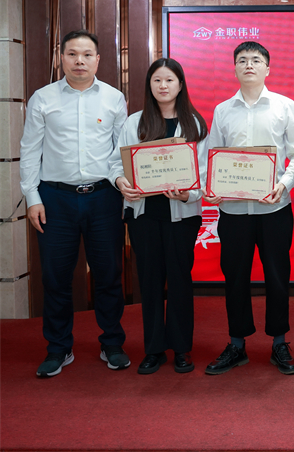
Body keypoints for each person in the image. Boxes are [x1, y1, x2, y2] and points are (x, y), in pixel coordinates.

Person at [20, 29, 129, 377]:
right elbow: (29, 150)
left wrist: (123, 187)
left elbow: (121, 152)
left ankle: (112, 343)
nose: (79, 61)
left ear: (98, 60)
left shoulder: (114, 98)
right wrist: (32, 197)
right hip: (55, 199)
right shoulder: (43, 98)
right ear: (61, 57)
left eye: (86, 55)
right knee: (55, 277)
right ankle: (58, 347)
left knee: (109, 275)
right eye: (72, 54)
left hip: (104, 197)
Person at [202, 41, 294, 375]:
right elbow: (213, 156)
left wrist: (284, 184)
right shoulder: (223, 110)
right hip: (233, 211)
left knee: (277, 276)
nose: (249, 64)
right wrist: (212, 188)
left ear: (267, 68)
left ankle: (279, 343)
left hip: (274, 208)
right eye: (242, 60)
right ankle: (237, 344)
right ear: (234, 68)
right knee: (235, 278)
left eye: (256, 60)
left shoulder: (284, 106)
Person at [112, 58, 208, 374]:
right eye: (157, 80)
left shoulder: (195, 124)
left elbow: (204, 172)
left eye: (169, 80)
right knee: (150, 281)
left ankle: (181, 348)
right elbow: (115, 163)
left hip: (182, 215)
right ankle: (153, 349)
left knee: (180, 280)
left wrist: (188, 194)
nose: (163, 86)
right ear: (149, 85)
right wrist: (121, 182)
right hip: (143, 215)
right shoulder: (134, 123)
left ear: (180, 85)